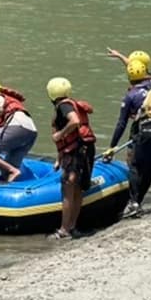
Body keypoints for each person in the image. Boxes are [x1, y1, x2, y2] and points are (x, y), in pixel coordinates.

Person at [106, 58, 151, 218]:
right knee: (150, 169)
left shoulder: (131, 95)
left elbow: (121, 123)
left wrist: (112, 146)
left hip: (146, 134)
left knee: (136, 167)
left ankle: (133, 203)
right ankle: (138, 202)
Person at [48, 77, 96, 240]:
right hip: (85, 149)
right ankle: (72, 227)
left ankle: (63, 230)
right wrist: (59, 158)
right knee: (76, 189)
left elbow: (74, 122)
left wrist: (60, 134)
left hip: (76, 152)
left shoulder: (63, 107)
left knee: (68, 189)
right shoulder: (71, 103)